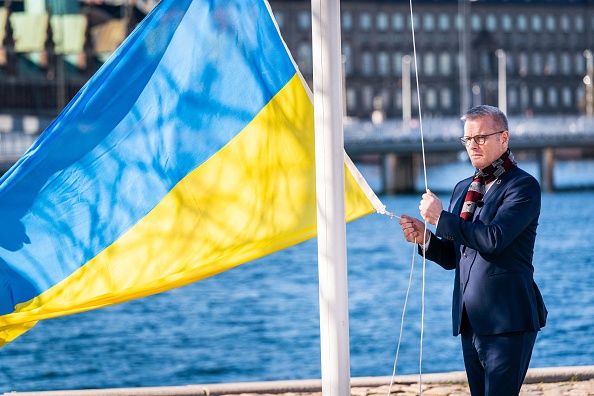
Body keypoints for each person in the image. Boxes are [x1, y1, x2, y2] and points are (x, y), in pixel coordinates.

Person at [398, 105, 547, 396]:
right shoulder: (463, 188)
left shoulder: (523, 186)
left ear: (503, 138)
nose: (472, 145)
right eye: (467, 139)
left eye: (481, 138)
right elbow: (456, 256)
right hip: (470, 321)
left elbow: (494, 239)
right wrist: (426, 238)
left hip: (508, 320)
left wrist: (441, 218)